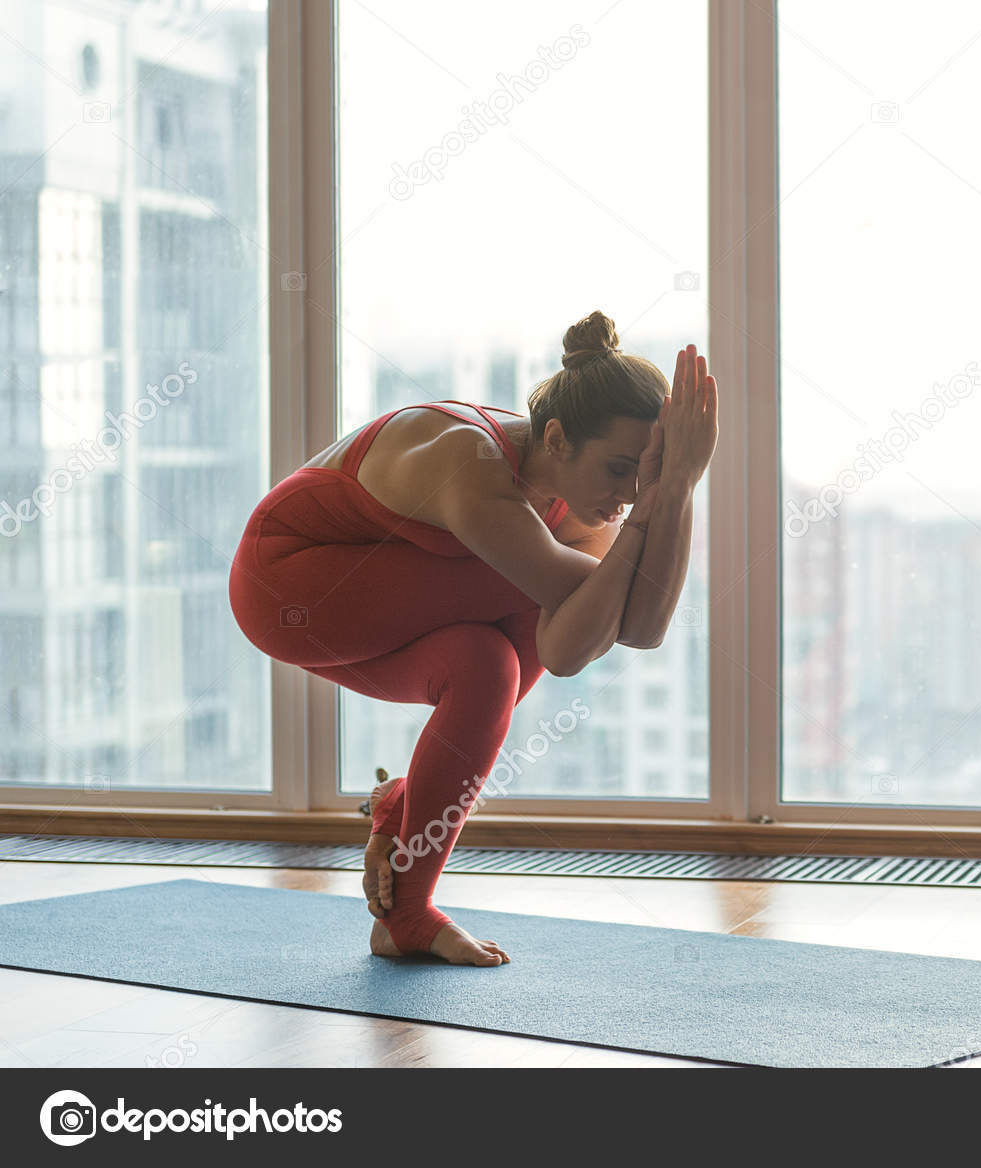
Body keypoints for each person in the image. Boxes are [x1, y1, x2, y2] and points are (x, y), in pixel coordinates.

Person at [228, 311, 718, 965]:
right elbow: (584, 643)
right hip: (288, 583)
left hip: (383, 594)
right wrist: (658, 505)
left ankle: (403, 884)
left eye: (644, 475)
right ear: (557, 439)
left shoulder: (580, 503)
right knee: (546, 599)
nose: (629, 494)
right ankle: (407, 901)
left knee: (486, 664)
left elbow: (640, 628)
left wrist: (677, 485)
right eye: (621, 470)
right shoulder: (470, 463)